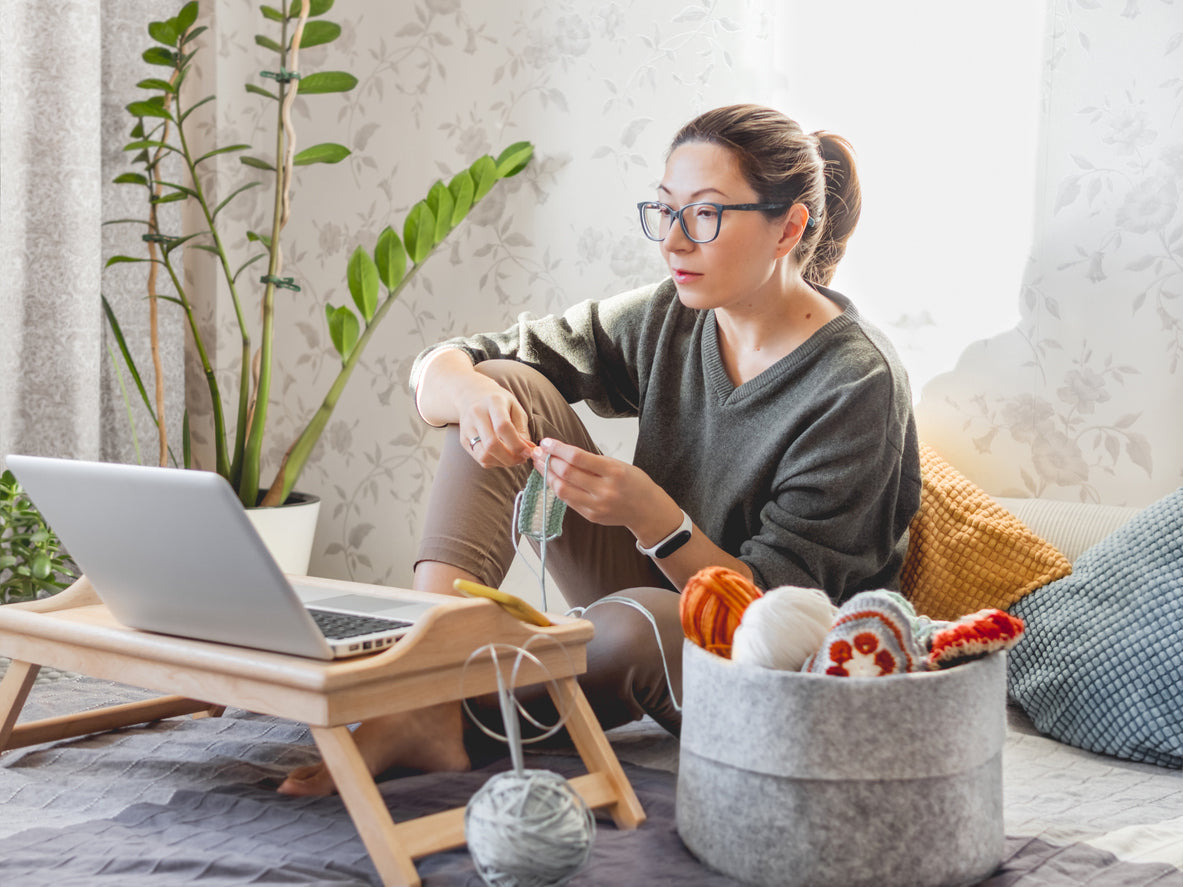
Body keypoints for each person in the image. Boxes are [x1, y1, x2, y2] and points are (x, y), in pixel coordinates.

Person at [278, 103, 921, 796]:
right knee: (500, 383)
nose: (672, 242)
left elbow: (779, 616)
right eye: (663, 210)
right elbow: (444, 368)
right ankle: (418, 688)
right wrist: (467, 392)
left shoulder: (855, 385)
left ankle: (444, 717)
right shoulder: (669, 316)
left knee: (628, 629)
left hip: (769, 665)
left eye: (704, 215)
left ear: (787, 227)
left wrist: (656, 520)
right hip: (655, 590)